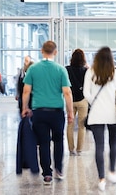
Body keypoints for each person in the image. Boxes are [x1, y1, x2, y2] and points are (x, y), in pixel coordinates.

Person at [21, 41, 74, 185]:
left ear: (41, 51)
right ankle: (59, 169)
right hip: (56, 112)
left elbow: (26, 91)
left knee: (43, 142)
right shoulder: (61, 69)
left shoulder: (33, 69)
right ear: (55, 52)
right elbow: (67, 93)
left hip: (39, 112)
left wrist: (24, 107)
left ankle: (47, 174)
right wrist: (70, 112)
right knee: (58, 140)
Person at [84, 47, 116, 191]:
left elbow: (86, 93)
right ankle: (112, 171)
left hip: (96, 114)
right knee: (113, 144)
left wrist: (95, 104)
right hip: (113, 115)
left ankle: (101, 179)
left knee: (99, 146)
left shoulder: (90, 72)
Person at [66, 49, 88, 156]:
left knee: (70, 124)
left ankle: (71, 149)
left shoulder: (67, 69)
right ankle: (79, 150)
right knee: (81, 126)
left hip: (70, 99)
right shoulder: (85, 70)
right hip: (82, 100)